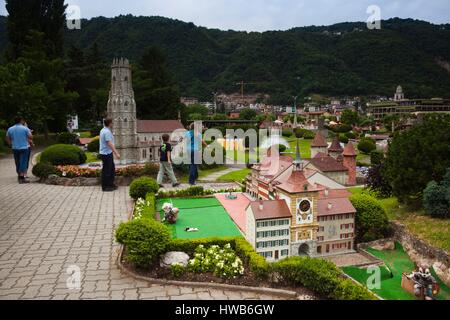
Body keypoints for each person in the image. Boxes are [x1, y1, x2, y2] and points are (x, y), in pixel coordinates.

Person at [5, 117, 33, 184]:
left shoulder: (10, 129)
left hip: (15, 148)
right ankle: (21, 178)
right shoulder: (25, 128)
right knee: (23, 162)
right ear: (21, 121)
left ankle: (19, 175)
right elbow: (31, 137)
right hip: (24, 148)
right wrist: (28, 134)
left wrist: (10, 144)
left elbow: (7, 138)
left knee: (17, 162)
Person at [99, 119, 121, 192]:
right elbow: (109, 143)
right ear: (109, 123)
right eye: (112, 123)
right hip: (106, 153)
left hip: (106, 153)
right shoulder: (107, 132)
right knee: (107, 171)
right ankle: (105, 187)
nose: (113, 124)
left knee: (111, 169)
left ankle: (111, 184)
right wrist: (116, 153)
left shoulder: (103, 130)